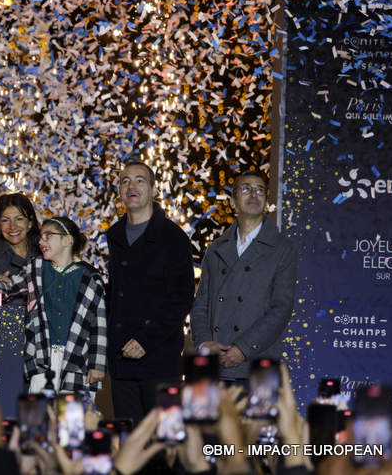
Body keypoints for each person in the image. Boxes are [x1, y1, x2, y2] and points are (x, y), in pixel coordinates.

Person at [105, 158, 194, 423]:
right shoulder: (114, 235)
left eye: (139, 180)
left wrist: (146, 340)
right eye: (125, 181)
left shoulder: (173, 237)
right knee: (129, 441)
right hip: (121, 363)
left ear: (153, 189)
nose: (131, 186)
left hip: (159, 360)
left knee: (163, 443)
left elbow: (181, 298)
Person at [191, 170, 297, 384]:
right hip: (216, 364)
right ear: (233, 202)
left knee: (257, 419)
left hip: (258, 364)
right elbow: (201, 303)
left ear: (266, 201)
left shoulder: (282, 249)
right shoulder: (216, 248)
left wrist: (243, 348)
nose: (253, 194)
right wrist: (204, 344)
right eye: (246, 189)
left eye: (260, 190)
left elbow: (281, 309)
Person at [0, 216, 106, 395]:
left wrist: (97, 364)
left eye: (48, 236)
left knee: (72, 417)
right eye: (40, 237)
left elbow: (98, 324)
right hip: (42, 355)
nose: (41, 241)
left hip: (77, 358)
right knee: (40, 413)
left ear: (67, 240)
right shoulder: (37, 267)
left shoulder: (91, 278)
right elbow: (12, 285)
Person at [0, 193, 41, 287]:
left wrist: (12, 285)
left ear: (30, 223)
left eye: (19, 219)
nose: (13, 227)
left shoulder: (44, 250)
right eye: (5, 220)